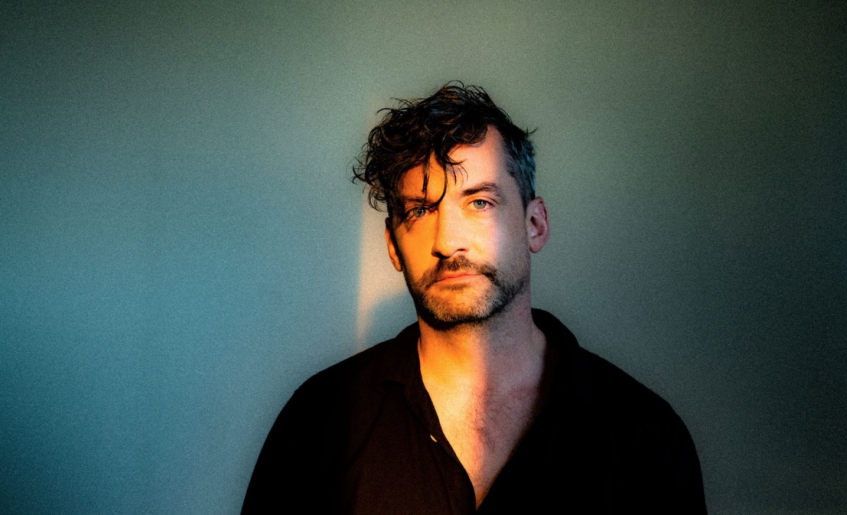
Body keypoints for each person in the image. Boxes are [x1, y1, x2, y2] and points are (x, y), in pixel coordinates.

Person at [242, 83, 706, 514]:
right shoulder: (317, 422)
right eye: (420, 210)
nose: (448, 242)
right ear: (393, 246)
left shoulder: (646, 435)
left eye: (479, 202)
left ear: (535, 225)